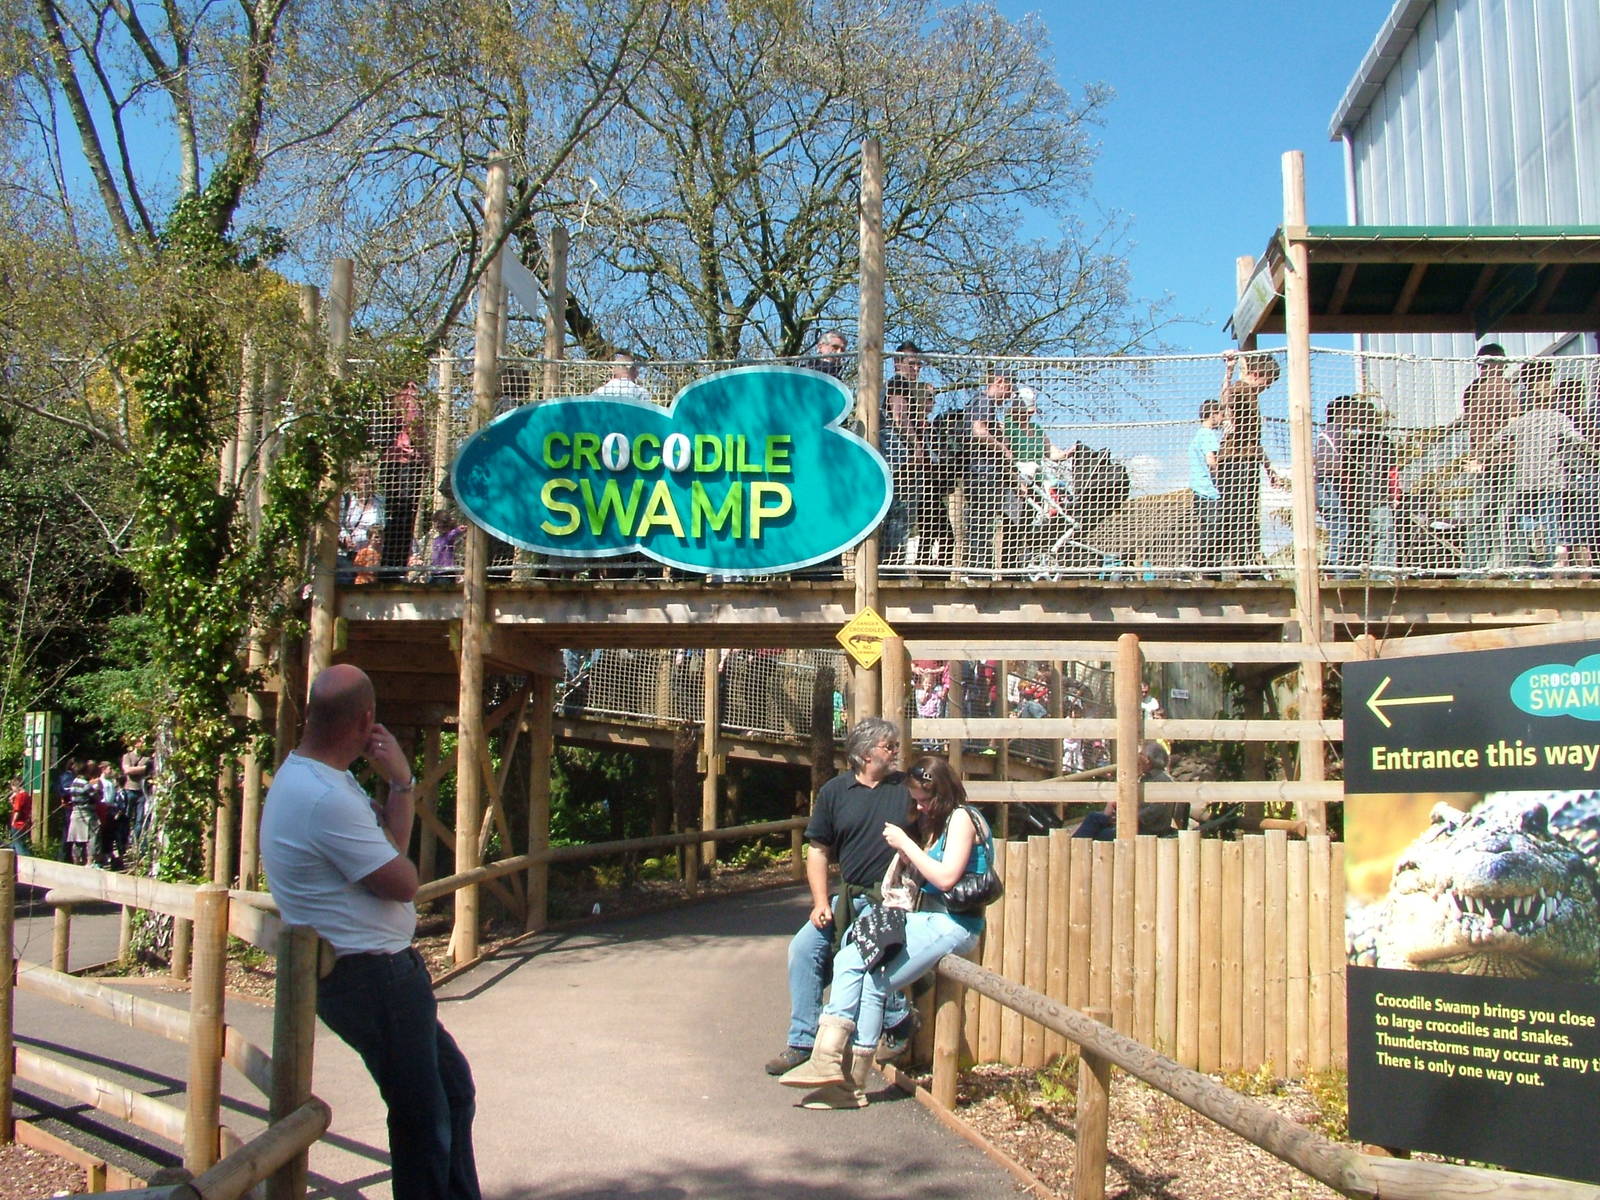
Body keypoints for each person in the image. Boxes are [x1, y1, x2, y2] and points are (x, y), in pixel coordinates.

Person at [261, 664, 480, 1200]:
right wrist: (398, 794)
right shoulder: (324, 799)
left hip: (379, 971)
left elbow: (390, 848)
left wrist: (401, 783)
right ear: (367, 720)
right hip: (370, 975)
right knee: (422, 1121)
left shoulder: (318, 779)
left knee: (451, 1092)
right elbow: (404, 880)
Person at [778, 756, 986, 1108]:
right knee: (853, 957)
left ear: (942, 792)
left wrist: (906, 844)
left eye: (923, 800)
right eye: (915, 800)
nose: (919, 807)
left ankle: (840, 1068)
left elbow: (946, 877)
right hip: (927, 920)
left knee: (867, 969)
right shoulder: (940, 822)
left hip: (955, 924)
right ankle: (837, 1069)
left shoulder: (963, 818)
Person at [764, 717, 914, 1076]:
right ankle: (802, 1040)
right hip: (846, 897)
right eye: (888, 746)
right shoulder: (835, 792)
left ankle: (898, 1019)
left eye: (895, 745)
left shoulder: (906, 789)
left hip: (889, 899)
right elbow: (817, 850)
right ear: (864, 755)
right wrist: (819, 903)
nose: (895, 752)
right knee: (803, 948)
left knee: (854, 945)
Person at [1214, 351, 1283, 572]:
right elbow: (1225, 401)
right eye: (1267, 381)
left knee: (1247, 513)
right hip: (1234, 462)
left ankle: (1245, 563)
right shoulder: (1241, 389)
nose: (1268, 387)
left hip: (1248, 460)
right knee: (1236, 513)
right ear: (1256, 374)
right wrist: (1230, 369)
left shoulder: (1254, 398)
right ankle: (1230, 562)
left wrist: (1269, 468)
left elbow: (1254, 441)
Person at [1460, 344, 1520, 571]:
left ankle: (1474, 567)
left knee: (1481, 518)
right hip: (1504, 461)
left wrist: (1477, 457)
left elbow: (1473, 429)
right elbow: (1514, 423)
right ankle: (1503, 567)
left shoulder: (1472, 391)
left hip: (1480, 462)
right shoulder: (1502, 387)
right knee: (1505, 516)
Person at [1072, 742, 1184, 839]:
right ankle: (1073, 845)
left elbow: (1151, 813)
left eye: (1141, 755)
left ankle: (1072, 847)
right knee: (1094, 818)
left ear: (1148, 760)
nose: (1137, 758)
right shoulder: (1149, 778)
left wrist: (1124, 817)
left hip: (1145, 831)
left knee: (1097, 827)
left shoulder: (1160, 781)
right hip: (1136, 825)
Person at [376, 382, 429, 572]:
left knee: (391, 513)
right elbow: (415, 427)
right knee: (405, 515)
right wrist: (424, 454)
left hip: (388, 461)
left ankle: (389, 563)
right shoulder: (410, 394)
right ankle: (396, 566)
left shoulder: (385, 396)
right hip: (407, 461)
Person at [1188, 398, 1227, 570]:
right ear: (1213, 415)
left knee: (1208, 531)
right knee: (1216, 529)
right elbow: (1211, 460)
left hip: (1199, 489)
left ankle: (1211, 569)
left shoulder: (1198, 435)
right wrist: (1222, 478)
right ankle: (1193, 562)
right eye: (1221, 415)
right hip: (1208, 491)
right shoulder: (1208, 435)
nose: (1223, 419)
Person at [6, 777, 31, 854]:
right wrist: (12, 801)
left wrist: (13, 822)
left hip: (17, 824)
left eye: (12, 787)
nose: (12, 789)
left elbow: (17, 810)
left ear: (16, 786)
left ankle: (23, 861)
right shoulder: (26, 795)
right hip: (24, 823)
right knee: (21, 843)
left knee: (18, 845)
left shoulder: (19, 796)